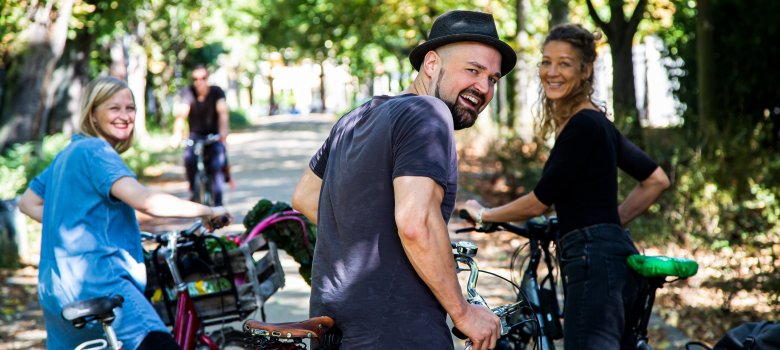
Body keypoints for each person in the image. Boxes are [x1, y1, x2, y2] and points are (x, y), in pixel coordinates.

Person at [291, 10, 516, 350]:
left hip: (333, 331)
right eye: (473, 70)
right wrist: (463, 312)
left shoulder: (356, 118)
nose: (483, 88)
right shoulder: (429, 113)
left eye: (493, 79)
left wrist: (380, 238)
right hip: (398, 333)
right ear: (431, 64)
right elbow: (416, 223)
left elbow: (307, 197)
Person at [460, 24, 671, 350]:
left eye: (565, 63)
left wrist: (485, 214)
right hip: (612, 259)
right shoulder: (595, 121)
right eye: (546, 62)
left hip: (593, 263)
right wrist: (608, 225)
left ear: (586, 70)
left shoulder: (583, 125)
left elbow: (539, 202)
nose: (551, 72)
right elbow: (656, 180)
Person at [18, 76, 229, 350]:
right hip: (99, 283)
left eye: (130, 108)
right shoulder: (96, 151)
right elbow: (146, 201)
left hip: (56, 289)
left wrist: (77, 222)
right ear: (93, 113)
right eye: (114, 108)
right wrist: (207, 210)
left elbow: (28, 202)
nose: (125, 116)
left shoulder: (68, 154)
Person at [170, 65, 230, 206]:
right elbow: (181, 115)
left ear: (207, 78)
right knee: (189, 160)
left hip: (213, 136)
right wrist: (176, 135)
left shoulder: (216, 92)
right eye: (195, 79)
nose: (199, 82)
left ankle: (218, 203)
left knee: (217, 166)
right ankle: (193, 191)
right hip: (195, 137)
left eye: (202, 78)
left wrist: (223, 134)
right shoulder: (188, 92)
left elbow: (223, 113)